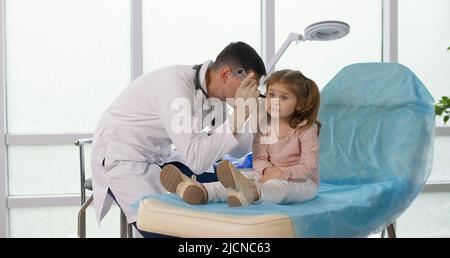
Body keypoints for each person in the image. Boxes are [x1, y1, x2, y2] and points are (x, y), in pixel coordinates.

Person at [90, 42, 266, 236]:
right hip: (123, 157)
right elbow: (197, 161)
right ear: (225, 75)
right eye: (249, 85)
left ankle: (189, 194)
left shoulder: (215, 97)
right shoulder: (174, 86)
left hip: (159, 156)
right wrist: (238, 116)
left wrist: (247, 116)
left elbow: (237, 150)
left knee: (226, 183)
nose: (252, 93)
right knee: (163, 229)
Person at [160, 69, 321, 206]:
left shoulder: (306, 130)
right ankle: (202, 191)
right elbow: (259, 157)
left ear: (300, 104)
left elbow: (308, 167)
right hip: (267, 174)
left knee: (278, 188)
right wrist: (266, 170)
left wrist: (281, 173)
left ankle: (252, 193)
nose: (274, 102)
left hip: (302, 182)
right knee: (242, 177)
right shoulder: (264, 124)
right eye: (271, 95)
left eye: (284, 98)